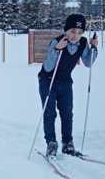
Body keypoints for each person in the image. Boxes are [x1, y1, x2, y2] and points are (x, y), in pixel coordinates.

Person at [38, 13, 98, 157]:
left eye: (79, 32)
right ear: (66, 30)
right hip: (48, 80)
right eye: (72, 31)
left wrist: (94, 48)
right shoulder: (57, 42)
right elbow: (47, 66)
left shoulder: (83, 43)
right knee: (50, 112)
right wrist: (57, 49)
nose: (75, 35)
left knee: (67, 112)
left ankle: (67, 143)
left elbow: (88, 62)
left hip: (65, 81)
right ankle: (51, 143)